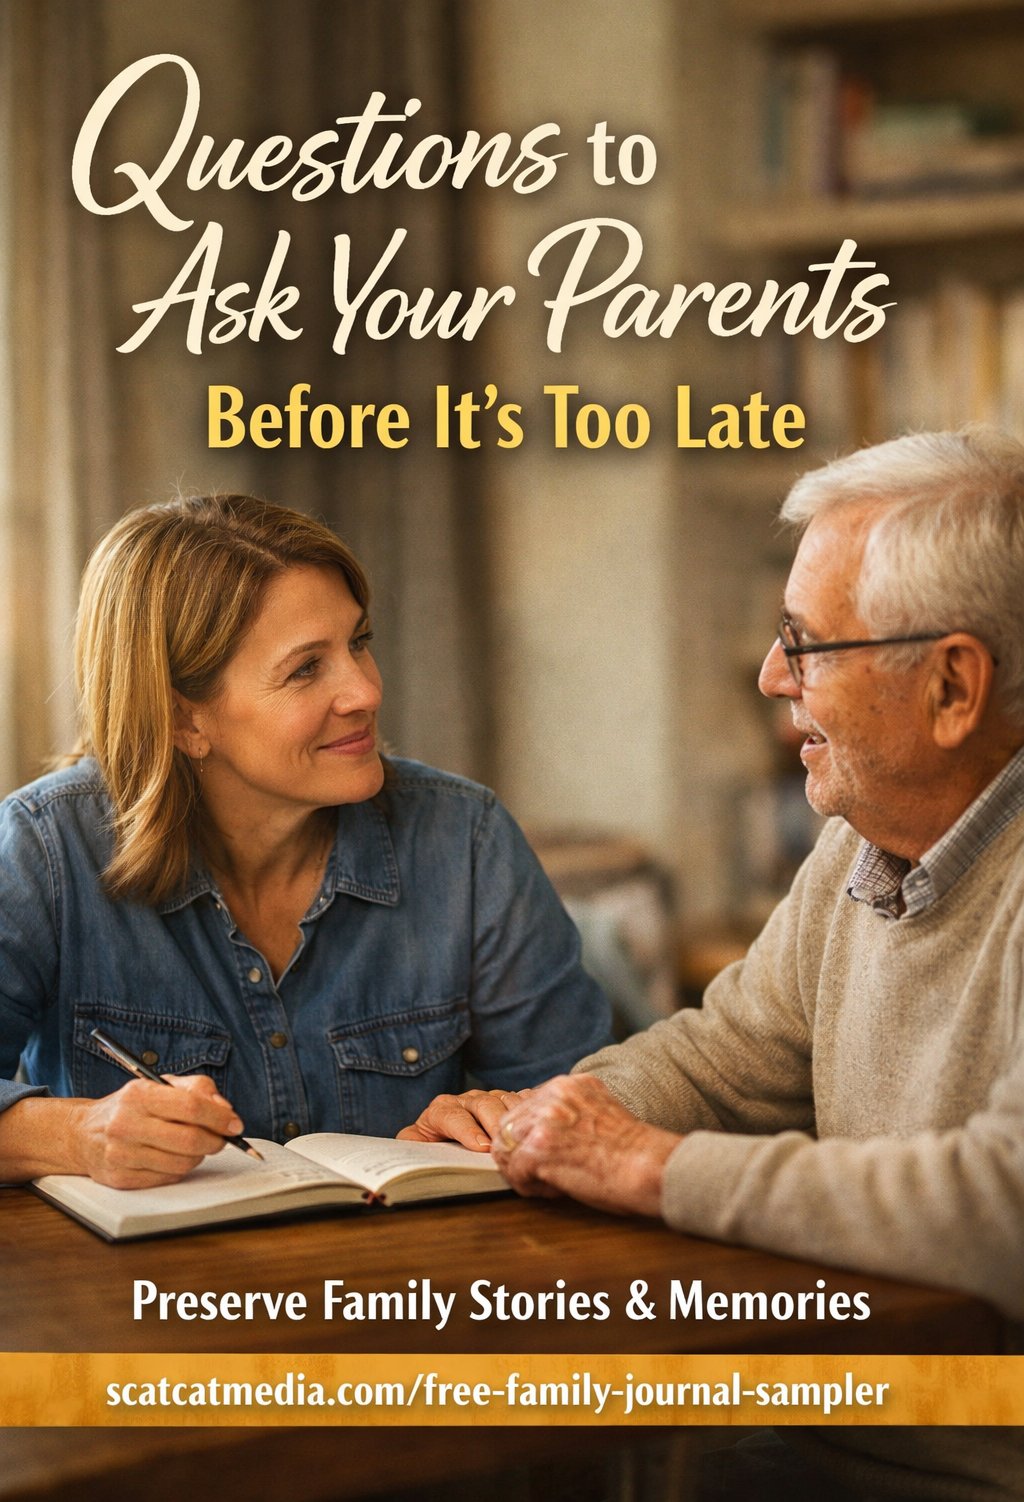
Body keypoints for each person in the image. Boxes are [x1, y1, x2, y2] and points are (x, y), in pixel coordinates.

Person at [407, 427, 1024, 1501]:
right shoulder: (861, 838)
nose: (768, 673)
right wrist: (553, 1116)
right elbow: (731, 1049)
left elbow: (1000, 1202)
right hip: (828, 1442)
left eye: (805, 641)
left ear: (951, 687)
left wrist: (647, 1165)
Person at [0, 493, 610, 1189]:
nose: (365, 691)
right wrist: (76, 1136)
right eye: (305, 668)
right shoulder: (43, 851)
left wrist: (505, 1113)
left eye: (359, 643)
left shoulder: (466, 837)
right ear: (182, 718)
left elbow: (589, 1100)